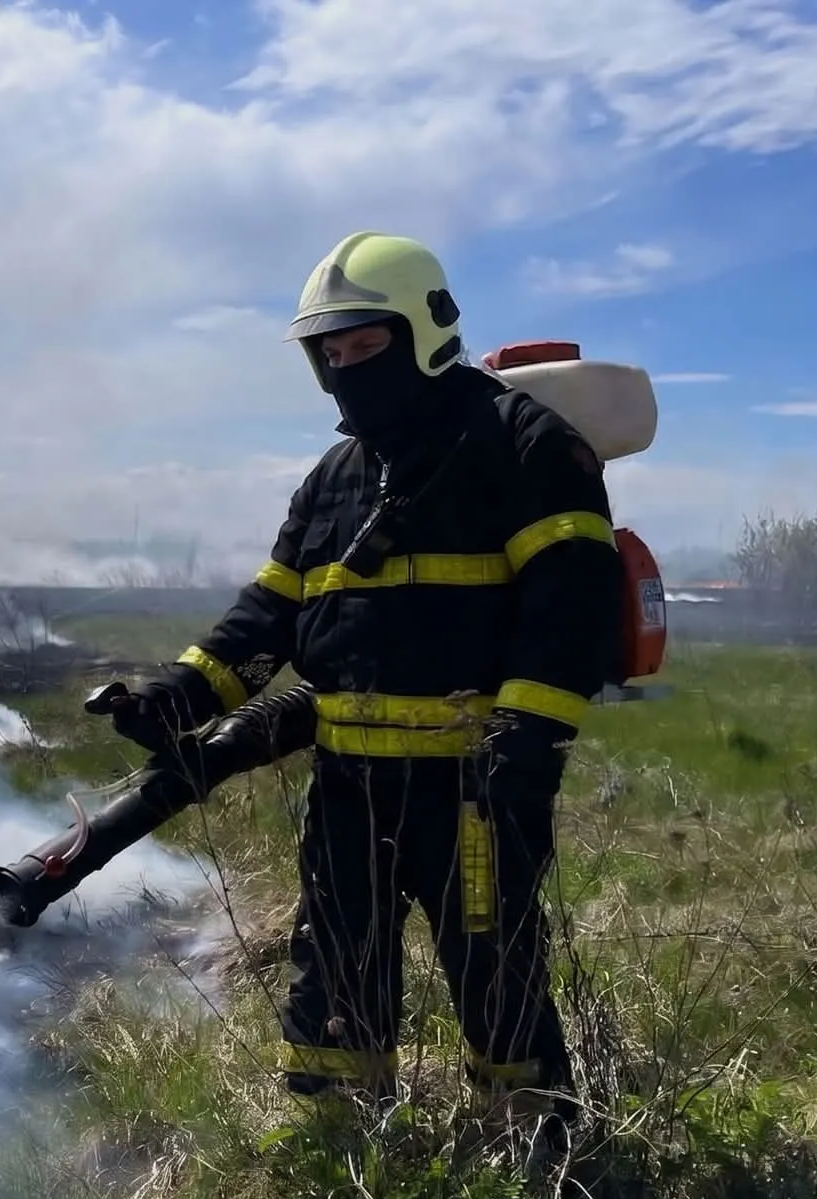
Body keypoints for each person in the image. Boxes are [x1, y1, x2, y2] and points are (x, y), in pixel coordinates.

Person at [108, 231, 623, 1143]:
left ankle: (536, 1157)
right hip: (348, 791)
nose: (345, 366)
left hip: (474, 789)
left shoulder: (522, 444)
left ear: (425, 329)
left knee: (495, 969)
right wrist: (180, 696)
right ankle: (344, 1152)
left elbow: (570, 614)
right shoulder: (333, 480)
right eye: (329, 351)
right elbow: (269, 616)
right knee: (335, 974)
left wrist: (526, 744)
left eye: (364, 343)